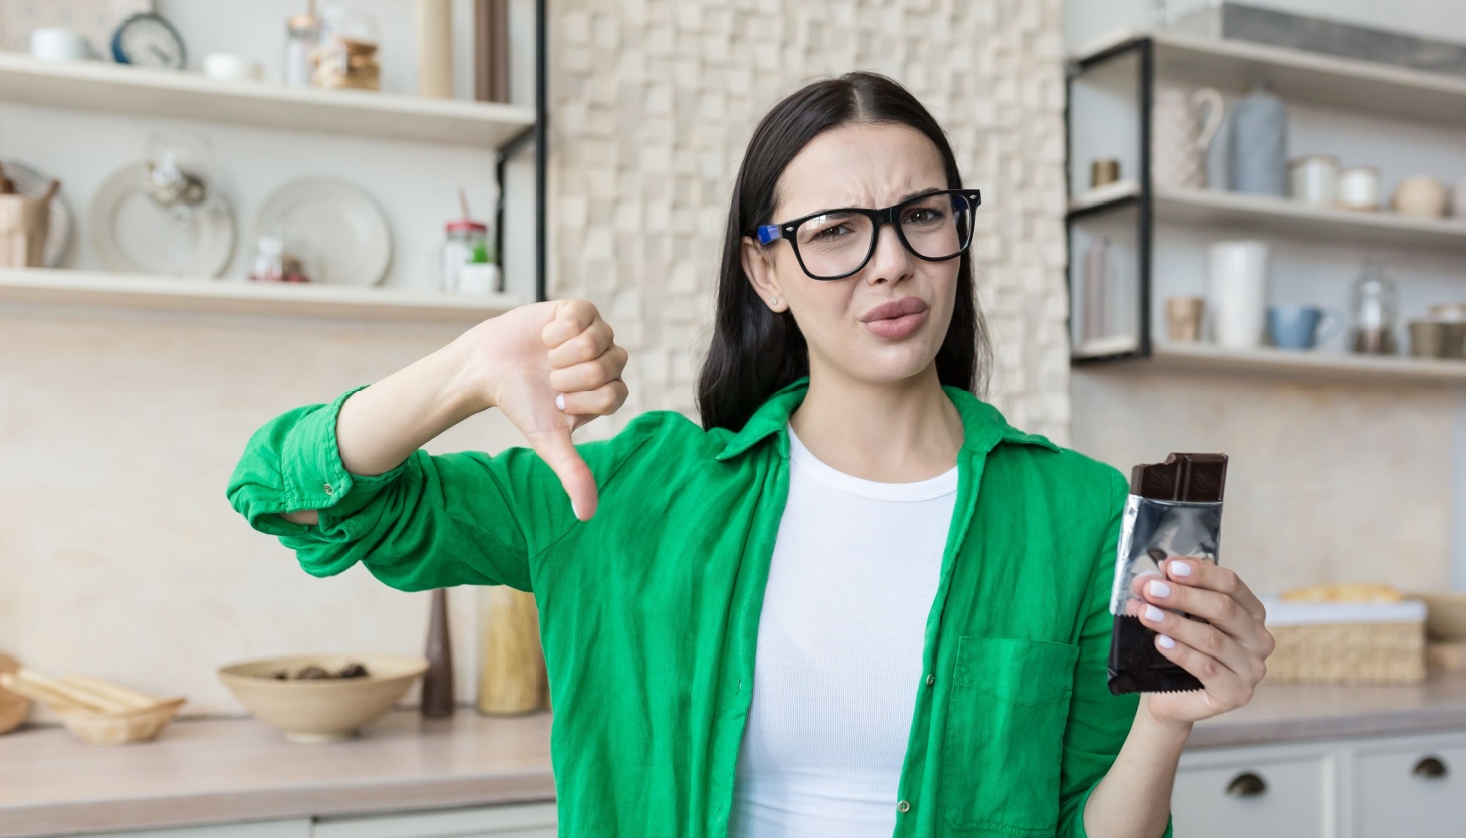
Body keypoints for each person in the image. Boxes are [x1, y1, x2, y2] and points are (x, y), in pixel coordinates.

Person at [227, 72, 1273, 838]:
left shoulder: (1079, 512)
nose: (891, 263)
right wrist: (462, 368)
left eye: (920, 217)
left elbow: (1095, 828)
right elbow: (293, 494)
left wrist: (1168, 725)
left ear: (959, 234)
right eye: (833, 232)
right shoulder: (628, 493)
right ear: (763, 271)